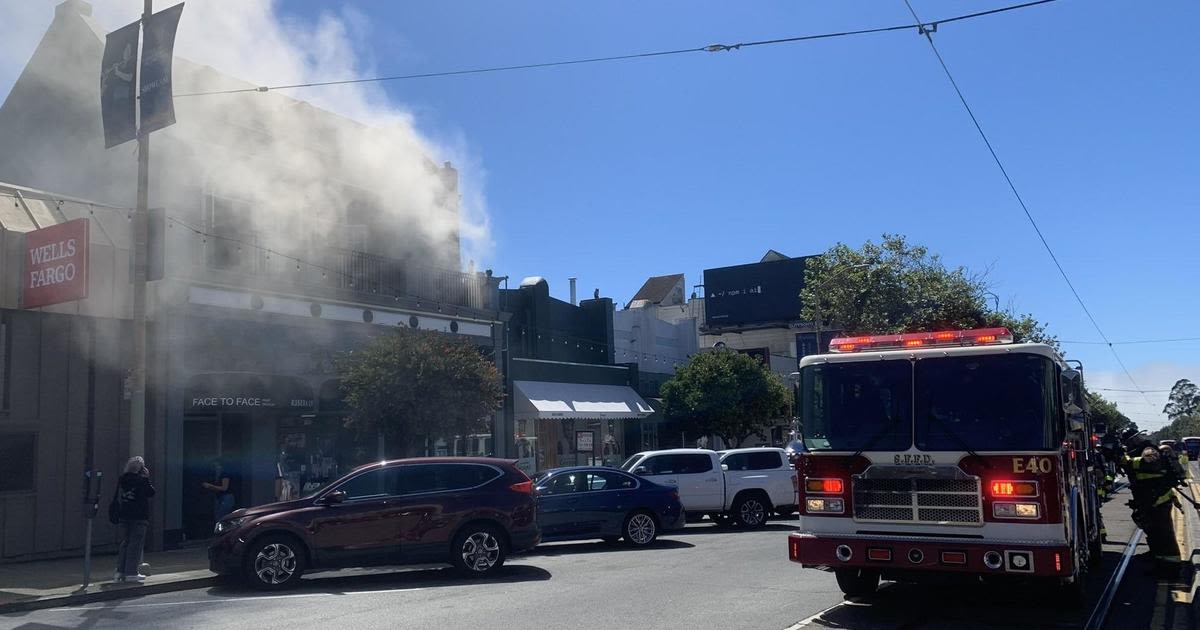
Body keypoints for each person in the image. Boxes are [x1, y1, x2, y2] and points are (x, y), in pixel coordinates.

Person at [1124, 442, 1183, 573]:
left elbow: (1150, 462)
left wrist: (1127, 460)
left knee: (1164, 535)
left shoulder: (1148, 450)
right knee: (1155, 533)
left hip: (1160, 501)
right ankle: (1159, 561)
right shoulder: (1140, 453)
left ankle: (1171, 567)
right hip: (1153, 502)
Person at [114, 456, 155, 583]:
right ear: (141, 468)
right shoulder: (141, 480)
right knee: (135, 544)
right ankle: (131, 572)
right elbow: (151, 492)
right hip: (139, 515)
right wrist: (146, 478)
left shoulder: (123, 479)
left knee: (125, 543)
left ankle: (120, 571)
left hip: (124, 514)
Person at [202, 460, 235, 525]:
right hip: (219, 497)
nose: (216, 468)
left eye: (217, 466)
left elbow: (224, 488)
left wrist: (210, 485)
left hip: (226, 498)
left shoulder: (225, 474)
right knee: (218, 517)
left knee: (221, 517)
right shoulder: (217, 475)